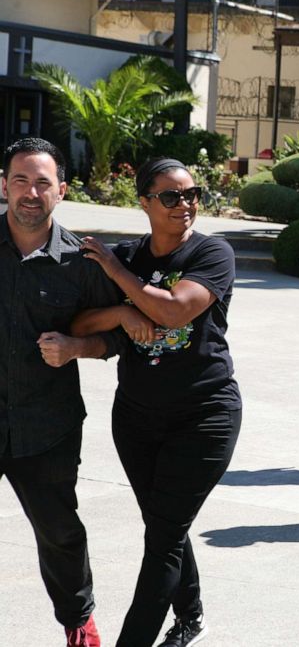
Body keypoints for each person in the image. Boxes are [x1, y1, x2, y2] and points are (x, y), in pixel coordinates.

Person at [67, 158, 241, 647]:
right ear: (144, 202)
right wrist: (122, 312)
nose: (185, 205)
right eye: (170, 196)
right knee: (165, 524)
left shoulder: (212, 254)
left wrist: (119, 278)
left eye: (192, 194)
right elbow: (79, 325)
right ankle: (192, 616)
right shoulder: (129, 255)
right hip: (137, 418)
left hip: (204, 416)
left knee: (162, 538)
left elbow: (174, 308)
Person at [0, 137, 124, 647]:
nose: (31, 192)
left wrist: (76, 346)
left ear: (62, 191)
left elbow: (118, 335)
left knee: (60, 532)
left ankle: (79, 623)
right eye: (21, 181)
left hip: (45, 426)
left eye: (42, 182)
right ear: (3, 186)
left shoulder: (83, 262)